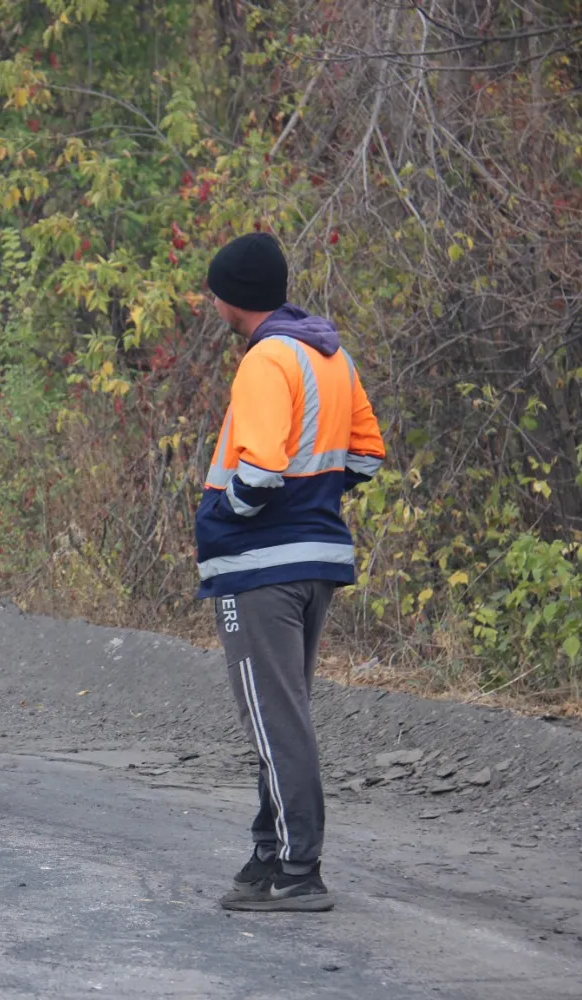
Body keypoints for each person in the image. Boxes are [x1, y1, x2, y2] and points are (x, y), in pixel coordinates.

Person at [196, 233, 386, 911]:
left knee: (276, 719)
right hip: (317, 560)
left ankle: (299, 870)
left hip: (260, 569)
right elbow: (366, 456)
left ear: (232, 299)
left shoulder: (264, 360)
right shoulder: (330, 354)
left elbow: (262, 467)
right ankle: (269, 856)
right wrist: (313, 500)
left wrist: (232, 515)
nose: (210, 298)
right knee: (286, 712)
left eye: (214, 289)